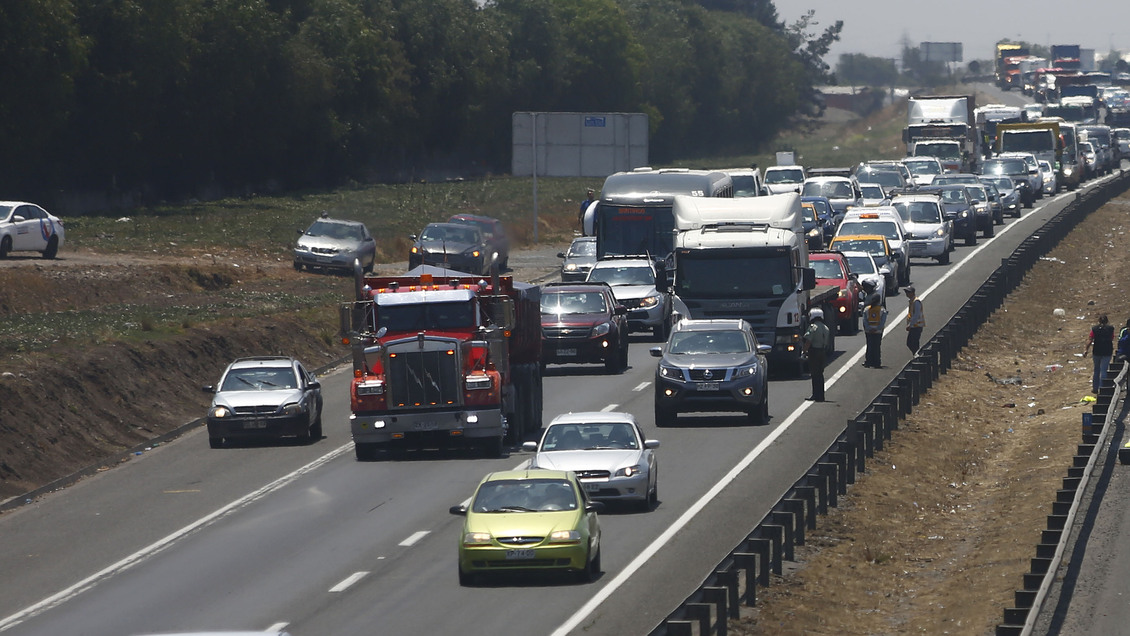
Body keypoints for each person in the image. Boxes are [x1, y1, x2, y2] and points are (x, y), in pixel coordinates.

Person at [802, 308, 831, 402]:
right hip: (822, 351)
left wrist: (804, 351)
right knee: (820, 374)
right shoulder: (825, 327)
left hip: (814, 352)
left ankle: (815, 395)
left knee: (814, 375)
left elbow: (808, 341)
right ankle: (821, 395)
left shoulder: (813, 327)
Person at [1085, 314, 1115, 394]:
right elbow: (1112, 338)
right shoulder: (1111, 328)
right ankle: (1102, 389)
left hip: (1097, 351)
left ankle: (1095, 388)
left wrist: (1086, 350)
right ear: (1107, 321)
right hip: (1107, 351)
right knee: (1104, 370)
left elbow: (1090, 339)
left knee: (1096, 370)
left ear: (1099, 321)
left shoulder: (1094, 329)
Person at [862, 291, 888, 368]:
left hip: (868, 331)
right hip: (878, 331)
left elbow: (864, 321)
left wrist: (869, 328)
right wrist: (877, 328)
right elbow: (882, 322)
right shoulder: (882, 310)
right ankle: (876, 362)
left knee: (869, 346)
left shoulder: (867, 309)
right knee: (876, 346)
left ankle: (868, 362)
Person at [904, 286, 925, 355]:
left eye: (908, 292)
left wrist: (910, 324)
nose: (907, 294)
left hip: (917, 326)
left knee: (912, 342)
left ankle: (918, 355)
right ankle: (917, 355)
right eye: (906, 292)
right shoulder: (911, 301)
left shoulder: (916, 302)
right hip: (914, 326)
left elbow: (916, 315)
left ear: (913, 293)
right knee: (911, 343)